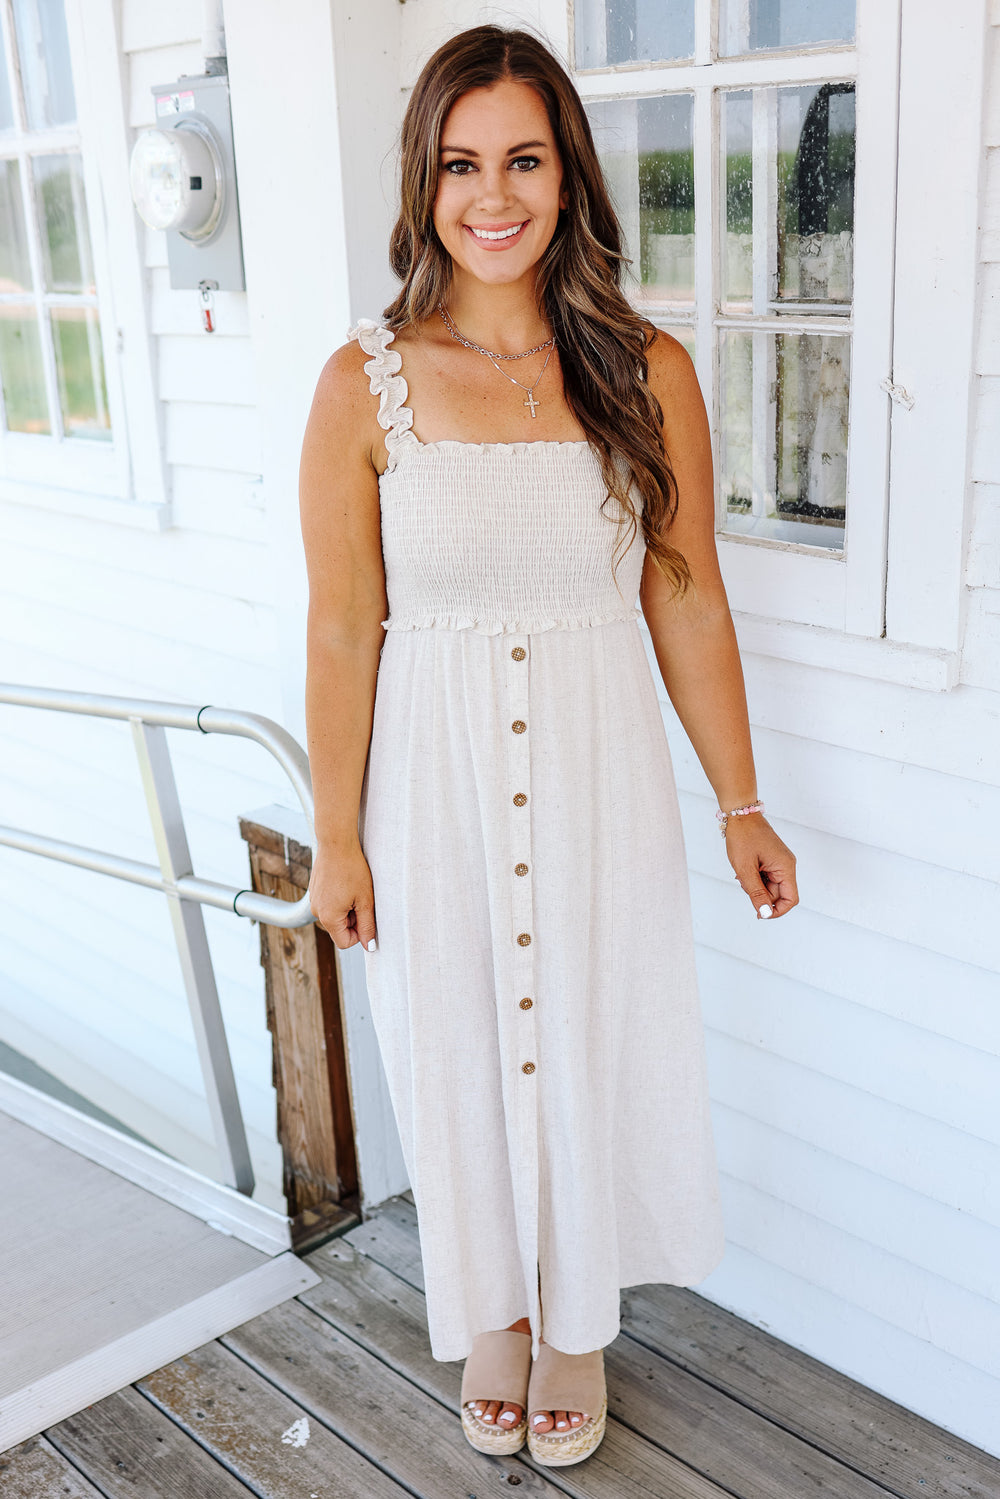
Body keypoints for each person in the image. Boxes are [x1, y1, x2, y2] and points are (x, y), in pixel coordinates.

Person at [299, 23, 798, 1469]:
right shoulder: (365, 384)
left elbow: (686, 596)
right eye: (461, 165)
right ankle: (498, 1311)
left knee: (593, 1029)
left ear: (569, 174)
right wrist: (336, 838)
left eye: (522, 159)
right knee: (456, 1040)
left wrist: (741, 803)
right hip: (431, 784)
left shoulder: (648, 372)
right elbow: (342, 628)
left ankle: (579, 1316)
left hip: (597, 772)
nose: (493, 196)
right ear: (425, 183)